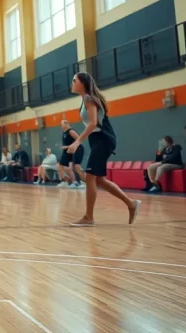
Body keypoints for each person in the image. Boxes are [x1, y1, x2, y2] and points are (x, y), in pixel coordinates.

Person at [67, 72, 141, 227]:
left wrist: (77, 142)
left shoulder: (89, 99)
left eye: (75, 80)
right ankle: (131, 204)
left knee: (89, 177)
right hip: (96, 140)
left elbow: (93, 123)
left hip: (103, 138)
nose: (72, 82)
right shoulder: (84, 99)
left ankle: (89, 217)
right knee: (98, 179)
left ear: (83, 83)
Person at [59, 120, 85, 189]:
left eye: (62, 124)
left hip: (78, 149)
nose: (61, 126)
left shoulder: (71, 131)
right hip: (71, 150)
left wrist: (67, 146)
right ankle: (68, 181)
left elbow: (79, 140)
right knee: (64, 166)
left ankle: (84, 183)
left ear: (67, 123)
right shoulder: (64, 132)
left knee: (77, 167)